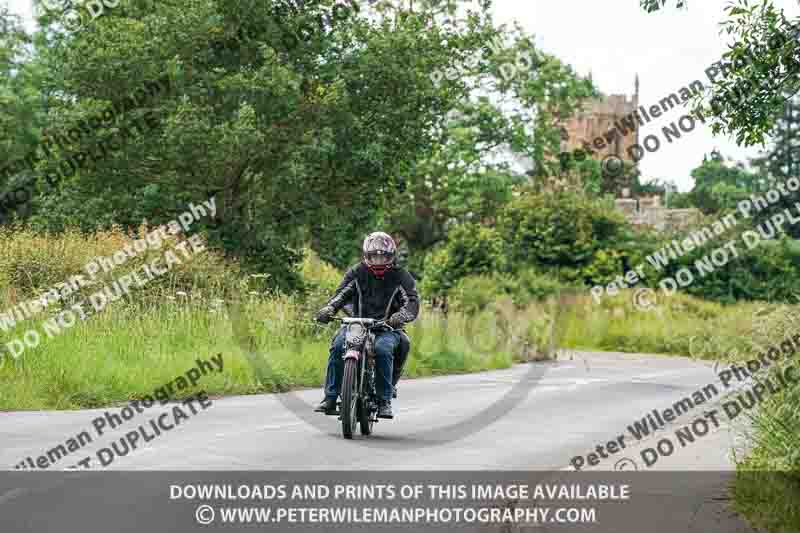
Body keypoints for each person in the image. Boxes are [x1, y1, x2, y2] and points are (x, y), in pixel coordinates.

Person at [313, 232, 419, 419]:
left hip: (387, 328)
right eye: (374, 256)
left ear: (391, 256)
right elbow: (341, 295)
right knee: (338, 346)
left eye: (383, 256)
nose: (378, 260)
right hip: (356, 325)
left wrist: (400, 316)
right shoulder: (357, 272)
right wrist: (329, 309)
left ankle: (384, 400)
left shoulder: (401, 276)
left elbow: (411, 302)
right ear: (366, 255)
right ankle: (330, 397)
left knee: (383, 349)